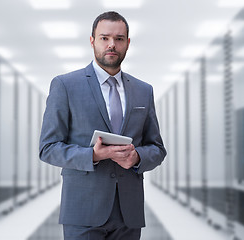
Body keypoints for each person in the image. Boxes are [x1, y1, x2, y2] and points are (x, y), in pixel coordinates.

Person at [39, 11, 166, 240]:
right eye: (104, 38)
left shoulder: (143, 91)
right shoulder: (65, 85)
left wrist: (137, 157)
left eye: (118, 39)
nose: (111, 45)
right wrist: (93, 156)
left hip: (128, 213)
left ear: (127, 43)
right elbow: (47, 148)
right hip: (83, 211)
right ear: (92, 41)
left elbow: (157, 148)